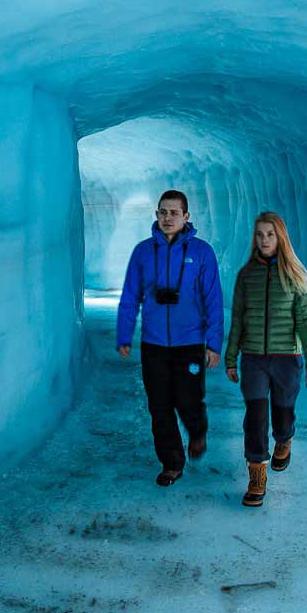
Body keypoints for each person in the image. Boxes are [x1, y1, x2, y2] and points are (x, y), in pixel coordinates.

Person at [116, 189, 224, 486]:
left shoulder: (202, 252)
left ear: (186, 217)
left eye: (174, 212)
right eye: (163, 212)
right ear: (156, 215)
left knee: (188, 400)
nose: (167, 218)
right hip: (154, 344)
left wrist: (214, 343)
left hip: (190, 342)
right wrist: (124, 333)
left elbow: (213, 299)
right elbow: (130, 295)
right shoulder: (143, 252)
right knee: (159, 405)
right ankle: (172, 463)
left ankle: (197, 431)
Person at [224, 211, 307, 507]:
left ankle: (284, 438)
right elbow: (238, 318)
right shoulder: (246, 275)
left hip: (287, 358)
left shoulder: (296, 275)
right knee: (254, 419)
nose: (264, 240)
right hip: (253, 358)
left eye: (270, 234)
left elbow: (305, 320)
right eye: (260, 234)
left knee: (283, 414)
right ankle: (256, 476)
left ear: (281, 237)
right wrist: (231, 357)